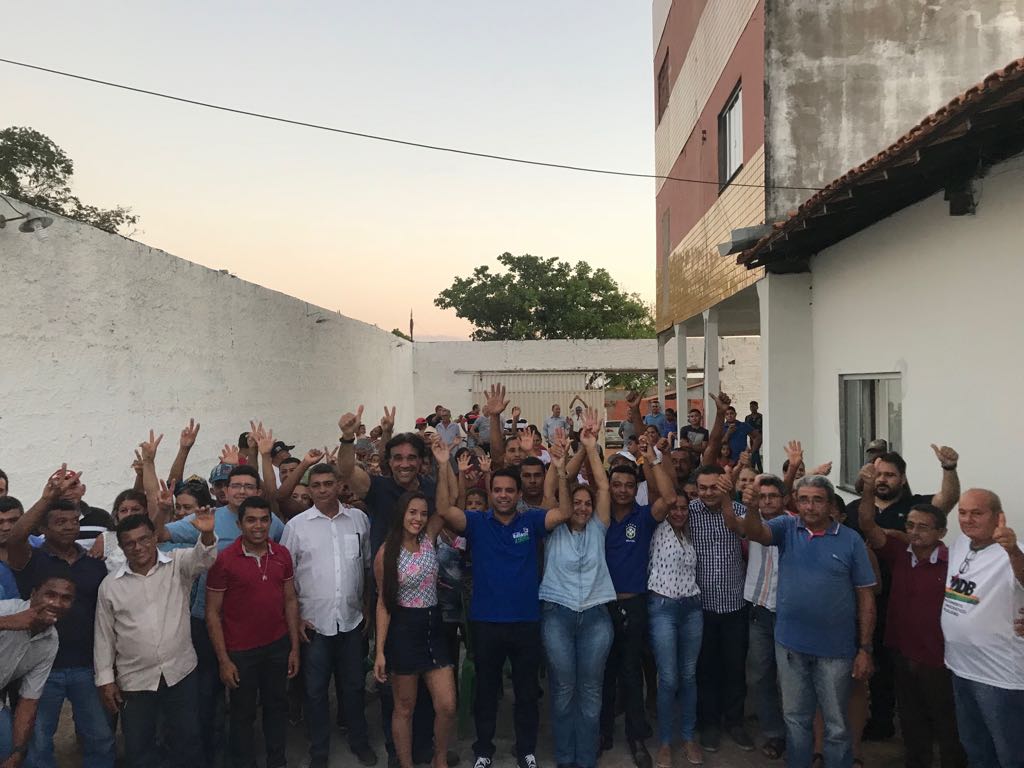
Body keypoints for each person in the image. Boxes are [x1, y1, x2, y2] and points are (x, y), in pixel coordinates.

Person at [435, 427, 572, 768]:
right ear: (490, 491)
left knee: (526, 692)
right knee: (486, 692)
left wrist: (560, 469)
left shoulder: (531, 520)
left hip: (526, 621)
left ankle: (526, 750)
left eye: (510, 490)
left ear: (518, 493)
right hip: (486, 622)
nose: (503, 495)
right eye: (497, 490)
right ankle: (483, 751)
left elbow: (564, 514)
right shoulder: (476, 522)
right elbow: (444, 510)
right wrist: (442, 465)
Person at [739, 475, 876, 768]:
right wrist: (750, 508)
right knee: (796, 719)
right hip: (790, 645)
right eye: (803, 499)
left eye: (817, 500)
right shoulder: (787, 527)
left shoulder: (851, 540)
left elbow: (866, 596)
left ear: (830, 504)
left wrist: (865, 648)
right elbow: (756, 533)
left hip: (835, 650)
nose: (810, 506)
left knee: (836, 725)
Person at [160, 456, 286, 768]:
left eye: (249, 486)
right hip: (207, 619)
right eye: (236, 486)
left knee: (246, 699)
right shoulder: (206, 518)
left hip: (249, 627)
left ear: (258, 491)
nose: (242, 491)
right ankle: (210, 756)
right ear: (224, 491)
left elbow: (279, 561)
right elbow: (159, 534)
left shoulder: (270, 522)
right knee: (209, 694)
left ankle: (249, 754)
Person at [337, 406, 441, 766]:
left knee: (425, 682)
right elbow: (347, 471)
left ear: (421, 462)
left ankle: (424, 746)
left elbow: (446, 512)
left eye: (411, 457)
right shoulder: (378, 487)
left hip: (425, 596)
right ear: (389, 461)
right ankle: (398, 752)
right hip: (389, 597)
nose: (404, 463)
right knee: (393, 682)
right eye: (398, 457)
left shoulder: (430, 489)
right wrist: (347, 438)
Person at [844, 446, 960, 742]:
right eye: (878, 474)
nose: (883, 479)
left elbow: (947, 499)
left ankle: (929, 735)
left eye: (890, 475)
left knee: (913, 674)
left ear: (903, 478)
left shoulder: (916, 506)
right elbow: (863, 527)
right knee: (873, 665)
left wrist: (949, 468)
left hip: (906, 601)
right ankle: (880, 722)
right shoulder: (855, 508)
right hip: (863, 598)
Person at [7, 466, 114, 768]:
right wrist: (46, 498)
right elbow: (15, 539)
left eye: (73, 521)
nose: (69, 527)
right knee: (39, 744)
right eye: (60, 522)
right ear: (43, 528)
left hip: (87, 666)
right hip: (42, 668)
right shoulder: (32, 560)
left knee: (100, 739)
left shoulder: (94, 563)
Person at [94, 509, 218, 768]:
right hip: (135, 680)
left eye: (143, 539)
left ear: (154, 538)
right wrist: (106, 681)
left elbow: (204, 558)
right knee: (140, 747)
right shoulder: (110, 586)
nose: (138, 547)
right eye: (130, 543)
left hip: (180, 673)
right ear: (122, 547)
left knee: (188, 741)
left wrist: (207, 534)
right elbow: (104, 636)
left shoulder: (177, 565)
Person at [281, 462, 377, 768]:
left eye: (328, 483)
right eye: (316, 485)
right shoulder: (296, 527)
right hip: (314, 624)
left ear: (339, 485)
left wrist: (366, 606)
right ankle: (319, 751)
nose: (322, 490)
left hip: (351, 620)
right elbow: (286, 578)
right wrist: (296, 619)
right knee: (315, 691)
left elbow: (366, 566)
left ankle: (359, 741)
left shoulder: (359, 519)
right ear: (309, 490)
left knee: (354, 687)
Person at [538, 413, 615, 768]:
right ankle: (565, 757)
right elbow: (550, 493)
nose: (582, 508)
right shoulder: (553, 528)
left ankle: (585, 759)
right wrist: (559, 467)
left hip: (597, 615)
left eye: (587, 503)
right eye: (577, 503)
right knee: (564, 689)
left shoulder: (599, 527)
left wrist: (590, 447)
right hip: (558, 613)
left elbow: (603, 487)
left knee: (591, 691)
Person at [206, 496, 301, 768]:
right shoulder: (224, 560)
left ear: (271, 522)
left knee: (276, 707)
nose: (258, 526)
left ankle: (277, 761)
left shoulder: (282, 555)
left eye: (263, 520)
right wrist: (224, 661)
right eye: (251, 520)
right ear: (239, 524)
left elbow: (290, 600)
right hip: (241, 652)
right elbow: (213, 613)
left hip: (277, 646)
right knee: (242, 713)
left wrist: (294, 648)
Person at [600, 438, 677, 768]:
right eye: (616, 484)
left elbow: (669, 498)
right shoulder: (599, 519)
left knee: (631, 672)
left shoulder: (643, 517)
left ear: (637, 488)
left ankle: (635, 737)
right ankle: (603, 732)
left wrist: (652, 460)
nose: (622, 490)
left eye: (629, 485)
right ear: (609, 487)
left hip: (634, 605)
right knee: (604, 672)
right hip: (601, 606)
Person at [940, 488, 1024, 767]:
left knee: (1011, 754)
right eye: (963, 512)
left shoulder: (1014, 551)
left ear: (998, 516)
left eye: (977, 513)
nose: (967, 519)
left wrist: (1012, 550)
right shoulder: (960, 544)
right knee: (975, 748)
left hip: (999, 676)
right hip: (960, 666)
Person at [373, 491, 457, 768]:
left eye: (422, 513)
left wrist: (447, 468)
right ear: (401, 514)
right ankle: (406, 763)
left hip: (433, 626)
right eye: (412, 512)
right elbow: (383, 603)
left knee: (447, 705)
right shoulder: (387, 552)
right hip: (404, 631)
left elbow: (447, 503)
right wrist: (380, 651)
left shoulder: (428, 538)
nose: (418, 518)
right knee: (405, 707)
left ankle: (439, 759)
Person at [686, 463, 752, 752]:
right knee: (706, 669)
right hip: (701, 607)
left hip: (735, 605)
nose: (708, 493)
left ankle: (735, 722)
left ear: (724, 487)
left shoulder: (738, 510)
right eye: (703, 488)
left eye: (714, 487)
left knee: (735, 668)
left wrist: (727, 498)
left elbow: (741, 530)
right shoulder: (689, 513)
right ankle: (709, 724)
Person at [647, 492, 703, 767]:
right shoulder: (657, 528)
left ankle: (689, 736)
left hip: (692, 608)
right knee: (668, 678)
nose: (679, 513)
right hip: (663, 607)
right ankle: (666, 742)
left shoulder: (690, 535)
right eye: (675, 508)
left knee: (689, 676)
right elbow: (663, 489)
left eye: (684, 508)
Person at [0, 567, 74, 766]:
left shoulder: (50, 642)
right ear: (33, 594)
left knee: (16, 754)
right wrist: (6, 622)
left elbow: (28, 701)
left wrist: (18, 751)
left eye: (66, 598)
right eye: (50, 595)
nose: (56, 603)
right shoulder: (6, 610)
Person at [742, 475, 789, 761]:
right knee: (759, 676)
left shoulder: (795, 525)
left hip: (788, 613)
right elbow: (747, 530)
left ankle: (798, 733)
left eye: (773, 496)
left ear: (784, 498)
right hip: (759, 610)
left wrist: (793, 468)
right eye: (763, 496)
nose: (768, 501)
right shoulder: (752, 521)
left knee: (790, 680)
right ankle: (774, 732)